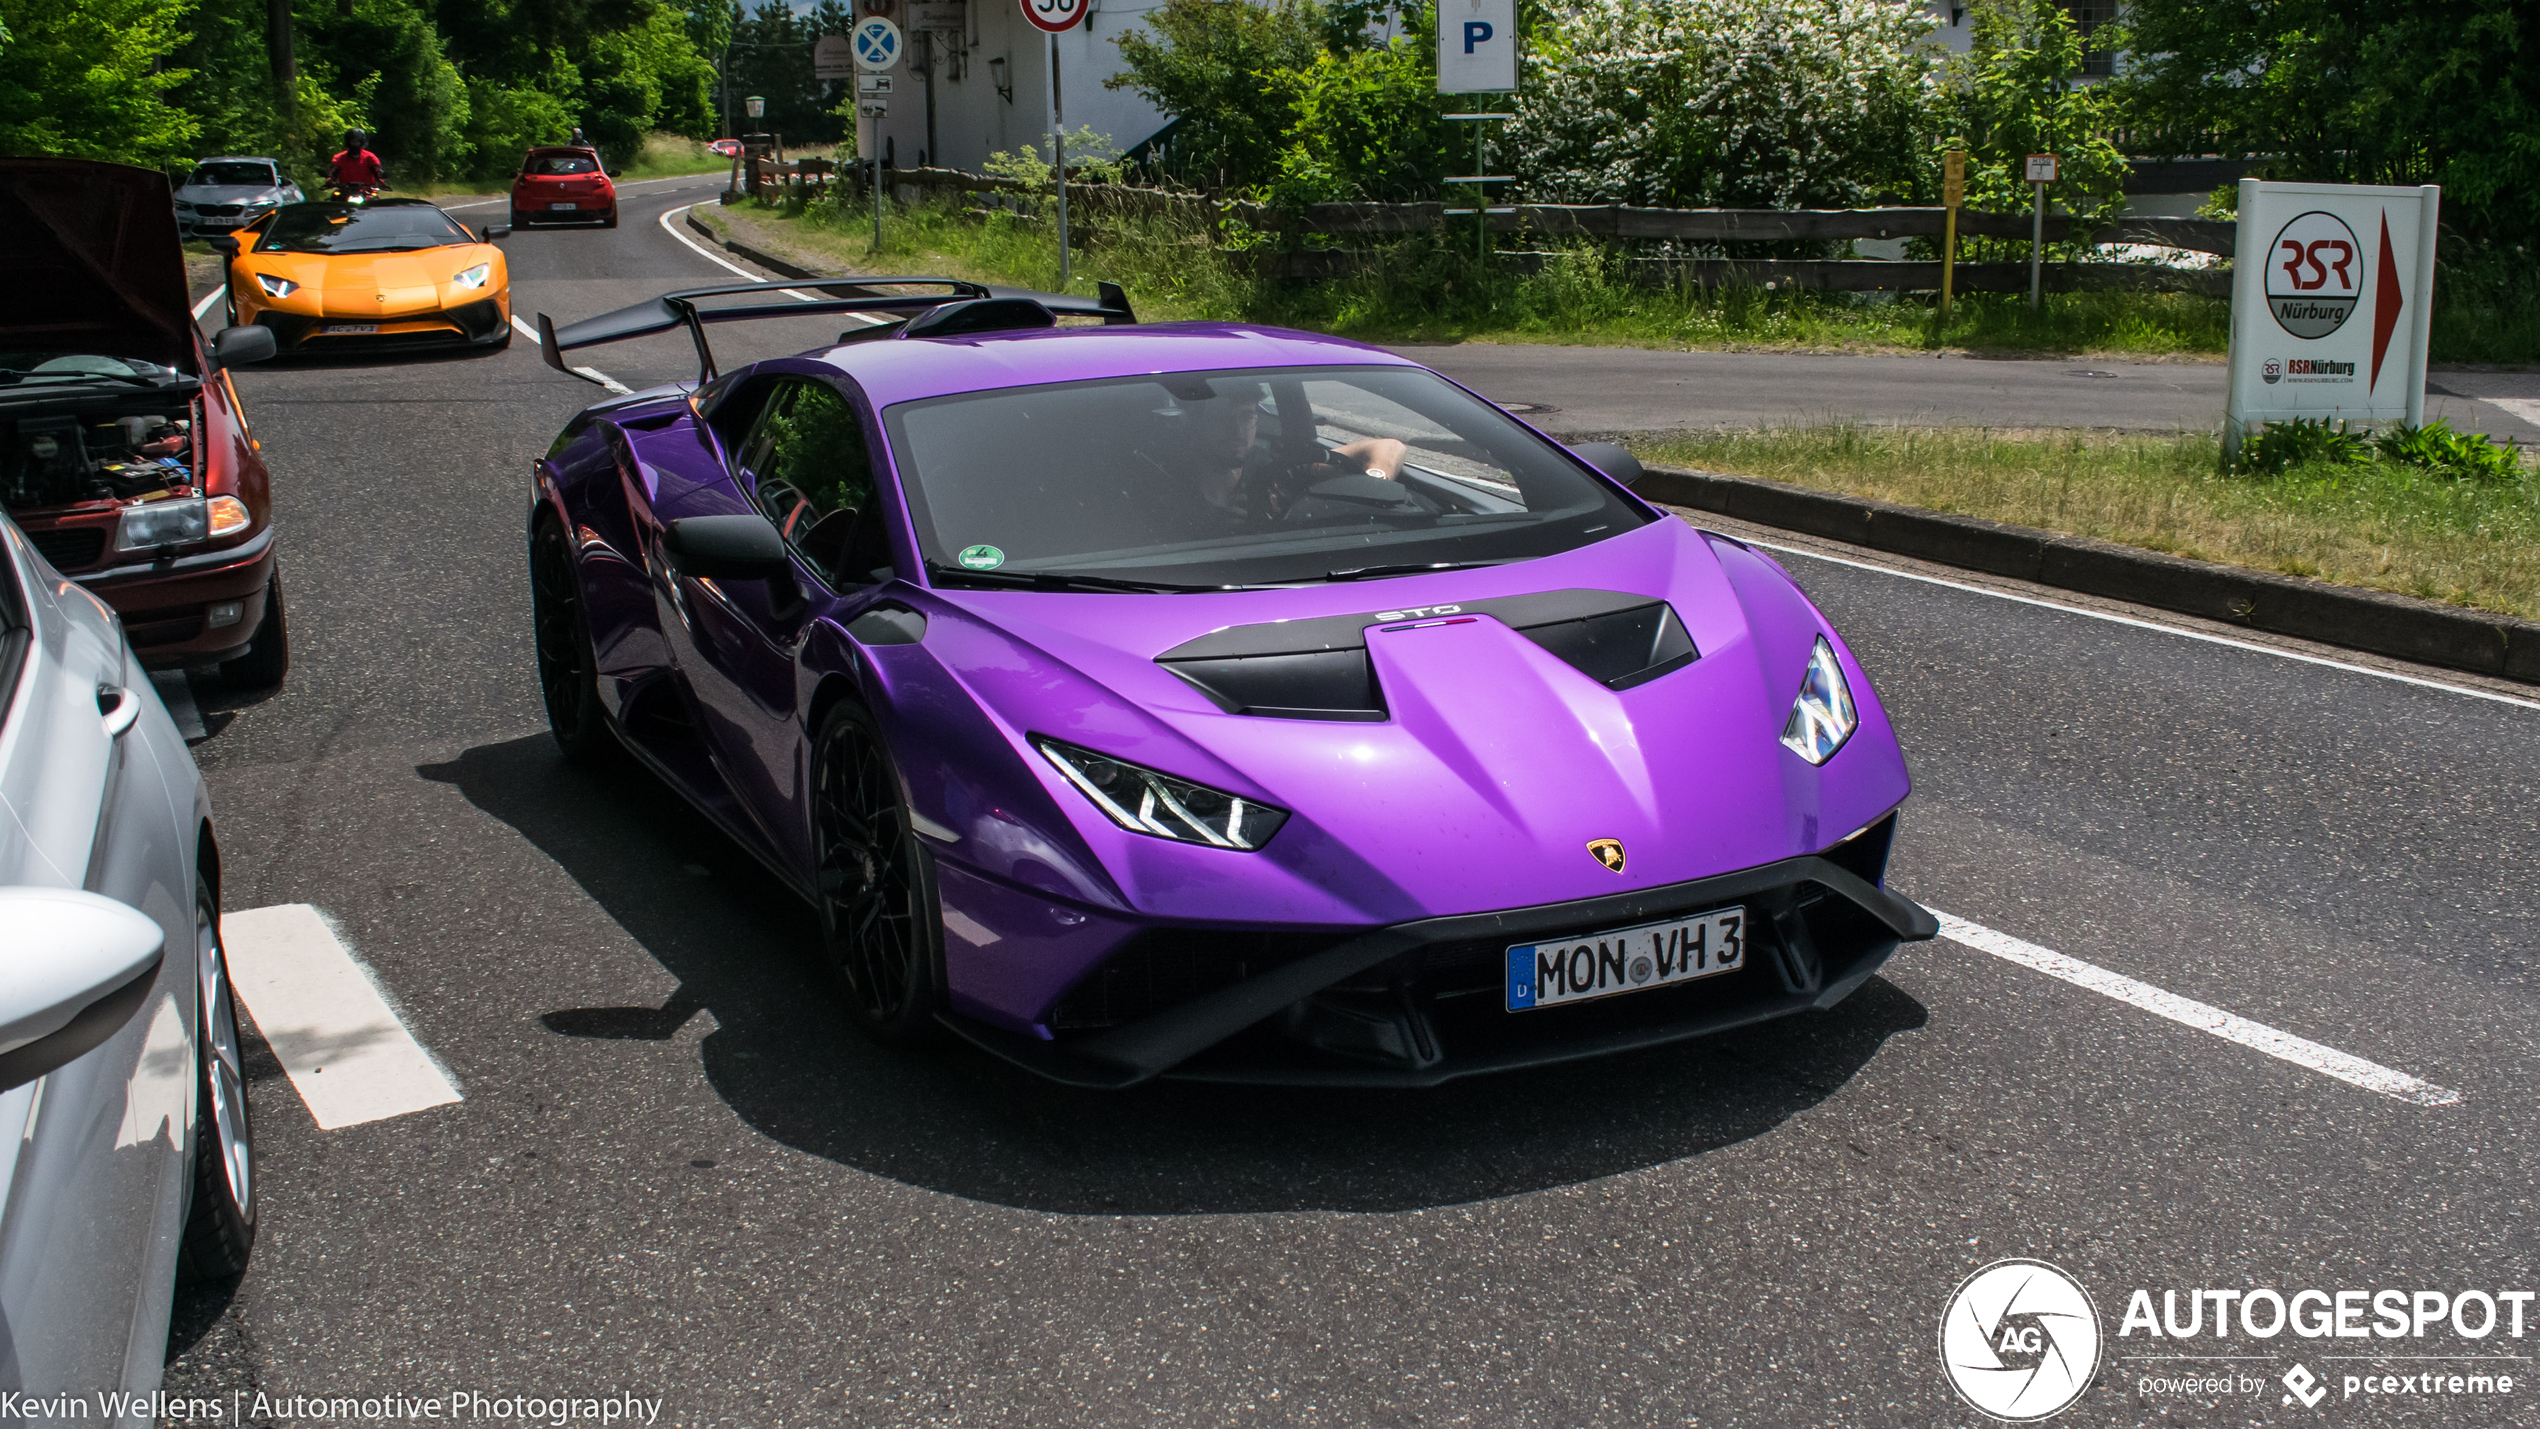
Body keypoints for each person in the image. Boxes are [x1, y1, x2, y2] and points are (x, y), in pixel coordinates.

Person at [1175, 389, 1408, 527]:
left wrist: (1375, 486)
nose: (1238, 431)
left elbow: (1390, 447)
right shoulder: (1167, 485)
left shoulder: (1278, 469)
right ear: (1197, 424)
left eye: (1247, 417)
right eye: (1222, 420)